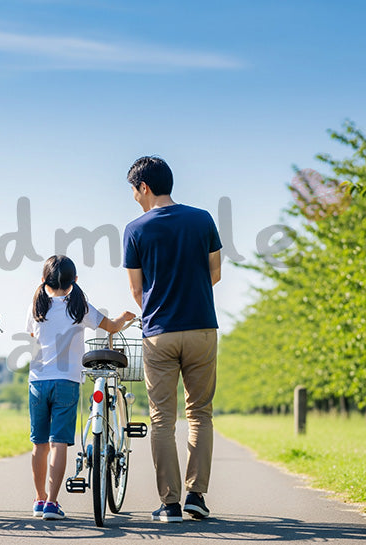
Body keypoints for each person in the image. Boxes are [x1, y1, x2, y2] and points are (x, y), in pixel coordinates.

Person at [122, 156, 222, 523]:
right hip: (201, 327)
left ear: (143, 187)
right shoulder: (203, 219)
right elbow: (215, 273)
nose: (133, 197)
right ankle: (197, 495)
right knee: (200, 414)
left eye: (133, 190)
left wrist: (161, 303)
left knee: (162, 419)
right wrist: (189, 293)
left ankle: (170, 504)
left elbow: (136, 290)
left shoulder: (135, 229)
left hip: (159, 332)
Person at [26, 255, 136, 521]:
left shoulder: (36, 307)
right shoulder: (79, 307)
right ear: (75, 280)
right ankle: (52, 502)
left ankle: (39, 499)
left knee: (39, 444)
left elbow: (33, 335)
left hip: (38, 382)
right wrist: (124, 317)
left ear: (43, 280)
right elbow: (110, 326)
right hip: (67, 381)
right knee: (59, 442)